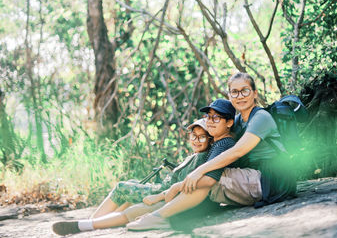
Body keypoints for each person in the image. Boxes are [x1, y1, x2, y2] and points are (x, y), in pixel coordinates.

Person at [127, 72, 296, 230]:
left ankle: (160, 217)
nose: (240, 96)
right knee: (206, 177)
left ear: (255, 93)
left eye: (245, 91)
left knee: (210, 179)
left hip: (274, 179)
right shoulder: (237, 121)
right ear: (229, 96)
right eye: (234, 92)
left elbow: (237, 151)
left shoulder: (261, 118)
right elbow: (212, 128)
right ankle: (168, 216)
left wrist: (195, 173)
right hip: (254, 175)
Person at [52, 118, 213, 236]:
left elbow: (180, 187)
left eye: (202, 137)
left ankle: (93, 221)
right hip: (161, 189)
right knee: (133, 183)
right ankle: (99, 221)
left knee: (122, 187)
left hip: (161, 193)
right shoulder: (195, 155)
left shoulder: (201, 158)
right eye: (194, 136)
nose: (196, 140)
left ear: (210, 139)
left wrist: (158, 197)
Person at [127, 98, 238, 230]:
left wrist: (176, 187)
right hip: (201, 199)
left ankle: (158, 218)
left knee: (192, 186)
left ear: (229, 122)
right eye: (208, 117)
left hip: (206, 200)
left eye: (216, 118)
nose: (210, 121)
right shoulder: (218, 143)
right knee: (133, 208)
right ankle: (156, 217)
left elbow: (209, 180)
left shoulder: (224, 144)